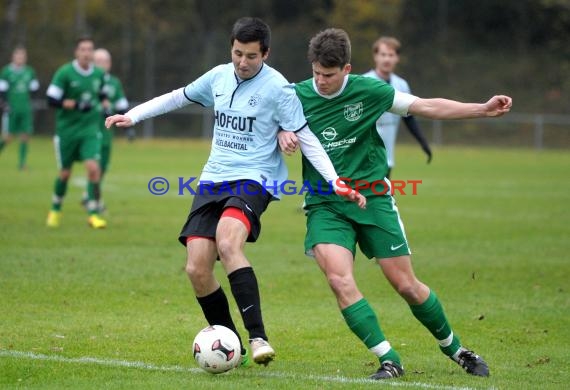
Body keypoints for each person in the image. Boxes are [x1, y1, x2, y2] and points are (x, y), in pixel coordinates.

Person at [105, 17, 364, 367]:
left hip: (255, 178)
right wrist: (133, 116)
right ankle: (231, 345)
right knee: (197, 268)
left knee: (228, 243)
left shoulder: (279, 89)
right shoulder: (218, 76)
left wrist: (333, 180)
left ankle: (258, 336)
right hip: (213, 179)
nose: (243, 62)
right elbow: (176, 97)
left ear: (266, 54)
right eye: (238, 53)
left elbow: (305, 136)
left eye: (251, 56)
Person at [279, 28, 512, 380]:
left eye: (328, 75)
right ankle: (389, 359)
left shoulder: (369, 91)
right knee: (340, 280)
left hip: (373, 198)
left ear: (347, 69)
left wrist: (481, 109)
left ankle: (456, 348)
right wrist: (283, 131)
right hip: (325, 203)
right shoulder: (295, 96)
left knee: (406, 285)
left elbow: (425, 106)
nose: (321, 81)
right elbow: (268, 124)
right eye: (316, 73)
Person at [45, 37, 108, 229]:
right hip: (67, 132)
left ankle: (93, 213)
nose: (86, 53)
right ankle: (55, 208)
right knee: (65, 174)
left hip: (89, 131)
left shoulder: (99, 74)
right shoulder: (65, 73)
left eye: (90, 49)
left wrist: (108, 110)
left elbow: (102, 95)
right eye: (83, 49)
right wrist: (75, 105)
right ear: (76, 52)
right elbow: (51, 100)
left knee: (93, 169)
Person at [363, 36, 432, 179]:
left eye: (391, 55)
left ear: (397, 58)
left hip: (387, 155)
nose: (386, 59)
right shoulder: (364, 82)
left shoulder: (401, 85)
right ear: (375, 56)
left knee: (382, 195)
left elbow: (409, 117)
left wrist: (422, 141)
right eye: (383, 55)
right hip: (363, 153)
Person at [82, 48, 129, 212]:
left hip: (108, 132)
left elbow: (122, 104)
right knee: (94, 166)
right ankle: (92, 200)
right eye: (98, 61)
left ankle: (90, 195)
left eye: (105, 61)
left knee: (103, 166)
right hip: (91, 129)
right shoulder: (89, 80)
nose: (102, 65)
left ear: (109, 64)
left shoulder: (114, 82)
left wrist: (128, 126)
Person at [0, 46, 40, 170]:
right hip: (11, 109)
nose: (20, 58)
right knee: (8, 137)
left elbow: (34, 89)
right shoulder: (6, 72)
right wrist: (4, 104)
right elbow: (2, 91)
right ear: (13, 57)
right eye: (18, 55)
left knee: (25, 136)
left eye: (22, 56)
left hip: (25, 109)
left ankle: (22, 164)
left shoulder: (30, 72)